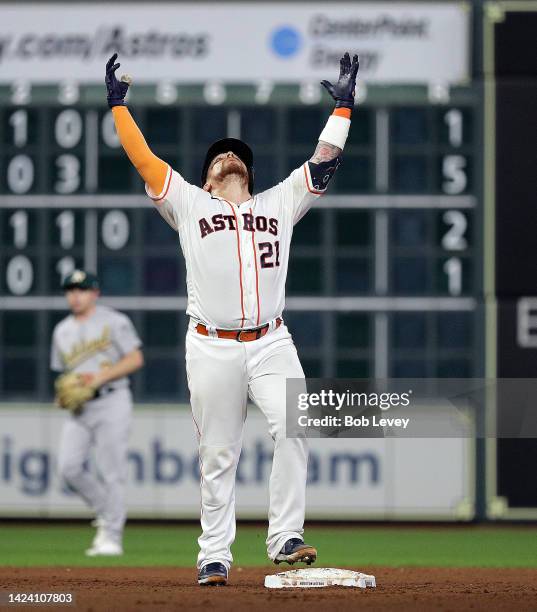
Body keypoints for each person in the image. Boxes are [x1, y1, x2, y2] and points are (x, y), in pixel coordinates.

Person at [106, 51, 359, 585]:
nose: (228, 158)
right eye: (219, 158)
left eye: (235, 156)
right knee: (218, 455)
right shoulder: (189, 206)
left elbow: (323, 163)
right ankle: (213, 555)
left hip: (272, 341)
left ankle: (285, 536)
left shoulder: (278, 203)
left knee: (296, 423)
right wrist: (118, 108)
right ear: (205, 181)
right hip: (211, 344)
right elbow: (145, 160)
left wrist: (343, 107)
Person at [50, 269, 144, 556]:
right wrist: (62, 397)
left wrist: (98, 379)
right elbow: (65, 375)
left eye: (82, 290)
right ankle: (107, 511)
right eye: (70, 290)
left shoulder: (114, 322)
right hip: (81, 407)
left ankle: (111, 537)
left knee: (111, 471)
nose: (75, 295)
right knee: (68, 467)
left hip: (113, 399)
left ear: (95, 293)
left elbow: (135, 358)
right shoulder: (61, 331)